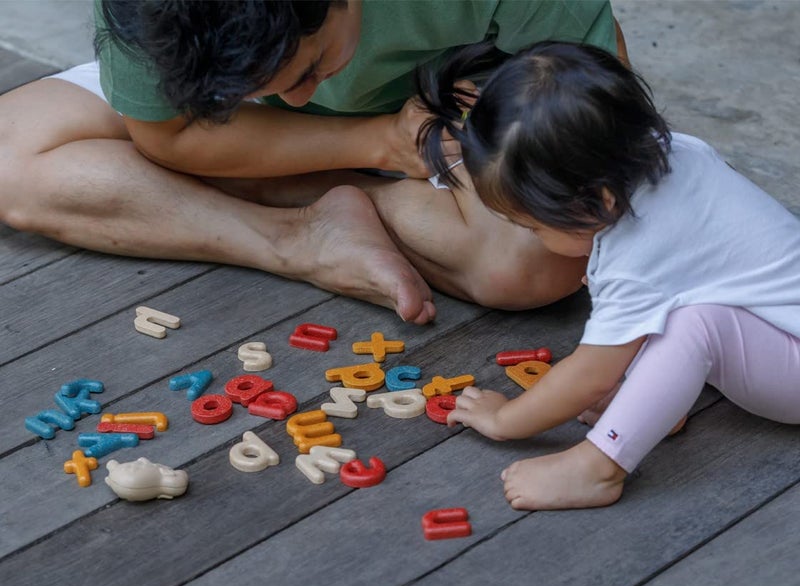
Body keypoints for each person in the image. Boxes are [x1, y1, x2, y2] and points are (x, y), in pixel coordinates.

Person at [0, 0, 628, 325]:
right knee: (9, 160)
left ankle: (294, 197)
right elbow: (167, 133)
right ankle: (298, 239)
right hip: (347, 142)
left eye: (308, 68)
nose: (294, 98)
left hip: (454, 114)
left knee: (534, 263)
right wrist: (374, 143)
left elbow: (593, 109)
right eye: (255, 87)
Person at [415, 41, 800, 510]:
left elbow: (591, 376)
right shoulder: (677, 152)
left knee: (694, 326)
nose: (532, 238)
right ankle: (654, 404)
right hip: (781, 332)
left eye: (532, 225)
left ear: (601, 200)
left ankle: (598, 468)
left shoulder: (637, 255)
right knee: (677, 313)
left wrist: (506, 419)